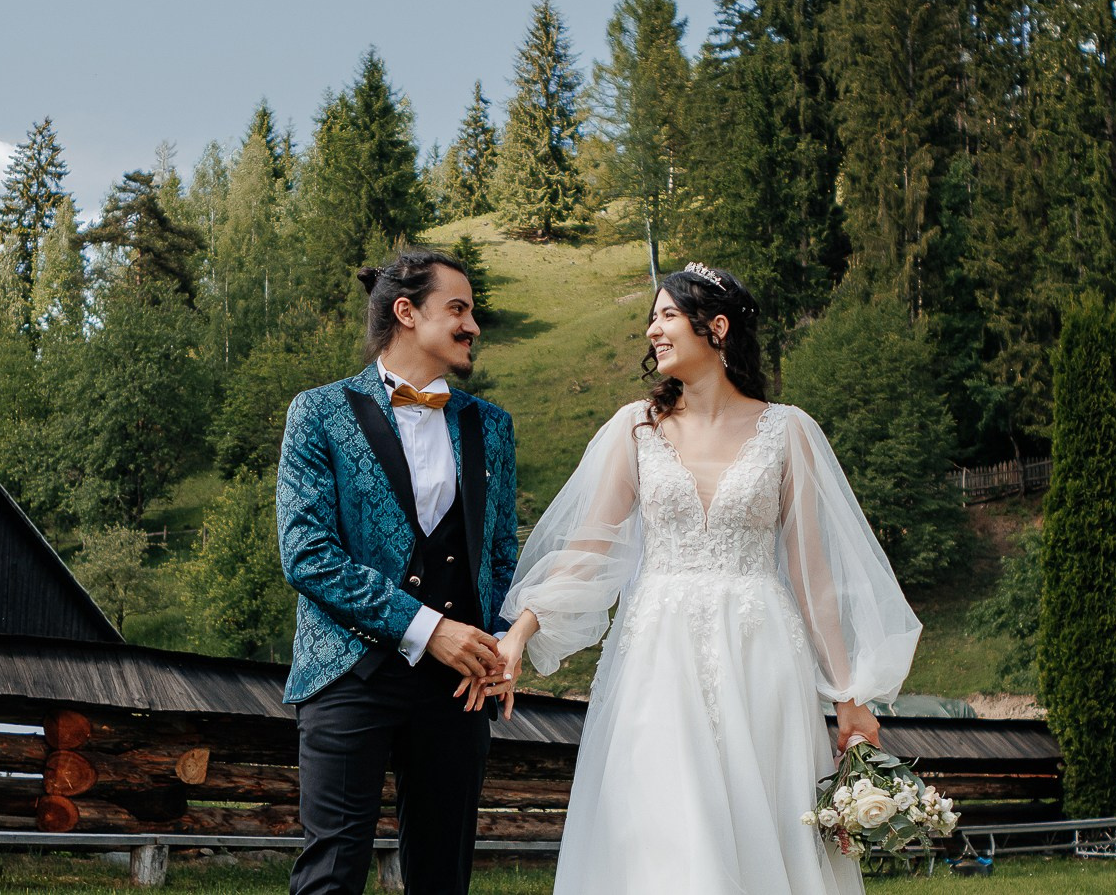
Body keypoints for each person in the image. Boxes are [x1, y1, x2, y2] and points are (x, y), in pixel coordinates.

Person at [493, 263, 921, 894]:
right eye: (653, 316)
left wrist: (848, 697)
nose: (652, 330)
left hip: (761, 652)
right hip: (656, 656)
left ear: (715, 328)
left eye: (667, 315)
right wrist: (522, 629)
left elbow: (813, 577)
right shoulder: (634, 428)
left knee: (763, 820)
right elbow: (588, 547)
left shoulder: (789, 431)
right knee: (662, 825)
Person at [276, 247, 520, 895]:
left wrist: (494, 646)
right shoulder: (318, 412)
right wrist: (426, 627)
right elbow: (305, 552)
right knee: (332, 875)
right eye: (459, 309)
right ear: (406, 312)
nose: (473, 326)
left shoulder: (491, 426)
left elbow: (500, 555)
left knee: (443, 879)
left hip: (456, 687)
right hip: (348, 672)